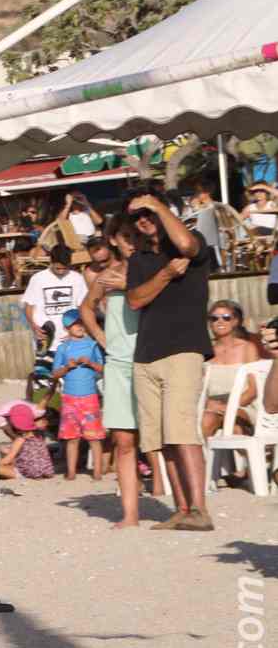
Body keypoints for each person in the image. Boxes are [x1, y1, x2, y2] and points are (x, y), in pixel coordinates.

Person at [125, 189, 214, 532]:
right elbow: (134, 300)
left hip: (183, 349)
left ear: (164, 210)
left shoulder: (193, 244)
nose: (143, 220)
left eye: (147, 212)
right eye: (136, 216)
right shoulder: (140, 259)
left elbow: (188, 247)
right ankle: (181, 509)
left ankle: (200, 509)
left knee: (182, 432)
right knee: (160, 439)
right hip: (146, 355)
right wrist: (164, 276)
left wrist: (156, 205)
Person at [77, 218, 164, 529]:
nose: (131, 241)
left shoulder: (154, 270)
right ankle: (130, 514)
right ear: (113, 239)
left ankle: (177, 502)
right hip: (118, 363)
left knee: (162, 438)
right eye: (125, 236)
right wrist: (101, 337)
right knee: (123, 441)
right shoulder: (106, 276)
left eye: (134, 236)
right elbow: (86, 308)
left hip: (152, 359)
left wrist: (129, 287)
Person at [50, 309, 105, 481]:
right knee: (71, 438)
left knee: (94, 437)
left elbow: (103, 369)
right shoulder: (63, 348)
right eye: (75, 325)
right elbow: (55, 374)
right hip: (69, 399)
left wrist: (89, 363)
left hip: (90, 397)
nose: (80, 327)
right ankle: (71, 471)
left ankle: (97, 472)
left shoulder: (93, 345)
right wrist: (67, 367)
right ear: (67, 328)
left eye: (81, 323)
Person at [201, 301, 265, 442]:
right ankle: (204, 462)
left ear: (235, 321)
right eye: (214, 318)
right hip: (213, 407)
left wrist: (228, 406)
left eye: (226, 317)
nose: (220, 321)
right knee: (206, 419)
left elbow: (253, 390)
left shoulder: (248, 347)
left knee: (235, 429)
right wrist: (209, 404)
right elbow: (200, 390)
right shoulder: (206, 352)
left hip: (243, 405)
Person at [20, 256, 81, 358]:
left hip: (70, 340)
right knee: (43, 372)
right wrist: (33, 326)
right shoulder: (38, 278)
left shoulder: (77, 278)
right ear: (51, 262)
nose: (61, 271)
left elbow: (84, 307)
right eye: (58, 268)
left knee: (69, 371)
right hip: (45, 341)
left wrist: (78, 329)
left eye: (64, 268)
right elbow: (28, 306)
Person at [0, 399, 54, 480]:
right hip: (46, 470)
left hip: (31, 473)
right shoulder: (39, 434)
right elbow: (26, 452)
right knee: (12, 458)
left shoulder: (21, 438)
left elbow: (8, 459)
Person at [182, 179, 225, 264]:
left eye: (198, 192)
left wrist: (196, 208)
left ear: (207, 193)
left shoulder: (215, 206)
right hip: (199, 242)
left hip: (210, 242)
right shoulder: (197, 207)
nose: (195, 194)